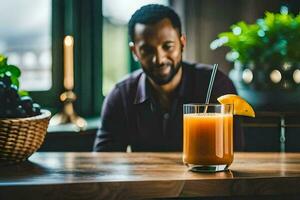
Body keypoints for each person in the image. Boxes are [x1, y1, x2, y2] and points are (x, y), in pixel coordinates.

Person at [94, 4, 244, 152]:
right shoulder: (121, 95)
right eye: (147, 50)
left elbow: (235, 151)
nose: (159, 59)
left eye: (167, 46)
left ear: (182, 43)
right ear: (134, 51)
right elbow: (103, 160)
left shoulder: (217, 84)